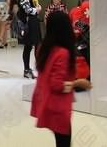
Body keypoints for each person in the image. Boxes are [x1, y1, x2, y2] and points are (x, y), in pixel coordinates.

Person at [31, 11, 92, 147]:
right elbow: (57, 84)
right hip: (57, 107)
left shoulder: (43, 48)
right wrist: (78, 82)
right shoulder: (62, 53)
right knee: (64, 141)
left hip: (45, 101)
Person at [19, 0, 42, 79]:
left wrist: (37, 8)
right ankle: (27, 69)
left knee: (36, 45)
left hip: (33, 22)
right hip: (29, 23)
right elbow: (27, 9)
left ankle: (37, 68)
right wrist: (36, 10)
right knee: (28, 46)